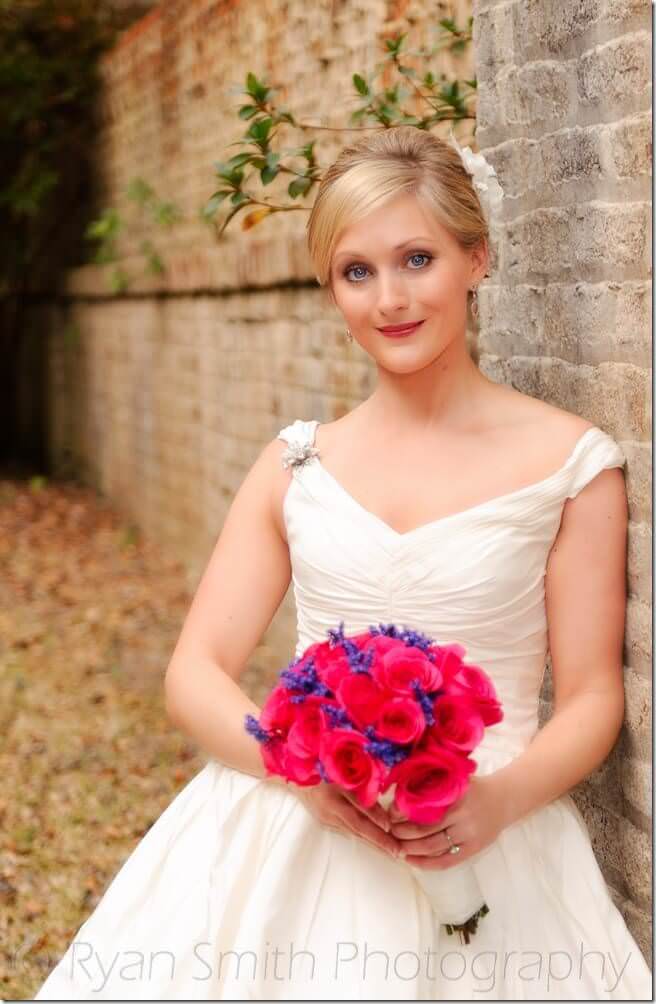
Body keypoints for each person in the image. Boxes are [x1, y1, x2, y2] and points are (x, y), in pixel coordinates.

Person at [35, 125, 652, 1000]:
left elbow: (592, 694)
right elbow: (195, 673)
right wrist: (298, 766)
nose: (389, 299)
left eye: (416, 259)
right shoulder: (295, 465)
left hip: (486, 827)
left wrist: (498, 802)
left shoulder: (571, 466)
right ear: (330, 288)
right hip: (297, 825)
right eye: (356, 272)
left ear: (476, 260)